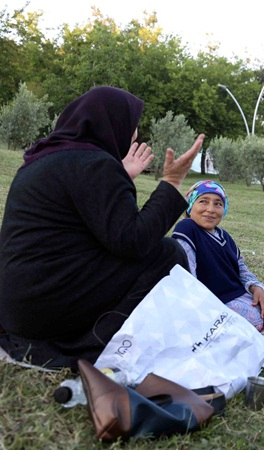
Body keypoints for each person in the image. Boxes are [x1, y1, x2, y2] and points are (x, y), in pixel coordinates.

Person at [0, 86, 205, 369]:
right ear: (112, 123)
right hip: (45, 310)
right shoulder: (93, 164)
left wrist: (120, 175)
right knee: (166, 254)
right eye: (132, 125)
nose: (134, 135)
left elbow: (90, 228)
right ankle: (90, 346)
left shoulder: (47, 157)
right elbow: (134, 241)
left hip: (21, 307)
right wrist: (171, 182)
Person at [173, 180, 264, 331]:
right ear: (190, 205)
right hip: (208, 299)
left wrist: (255, 287)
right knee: (253, 320)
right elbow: (187, 273)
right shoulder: (187, 228)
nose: (210, 209)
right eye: (203, 201)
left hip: (233, 294)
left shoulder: (225, 236)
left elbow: (241, 268)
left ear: (224, 209)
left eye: (218, 204)